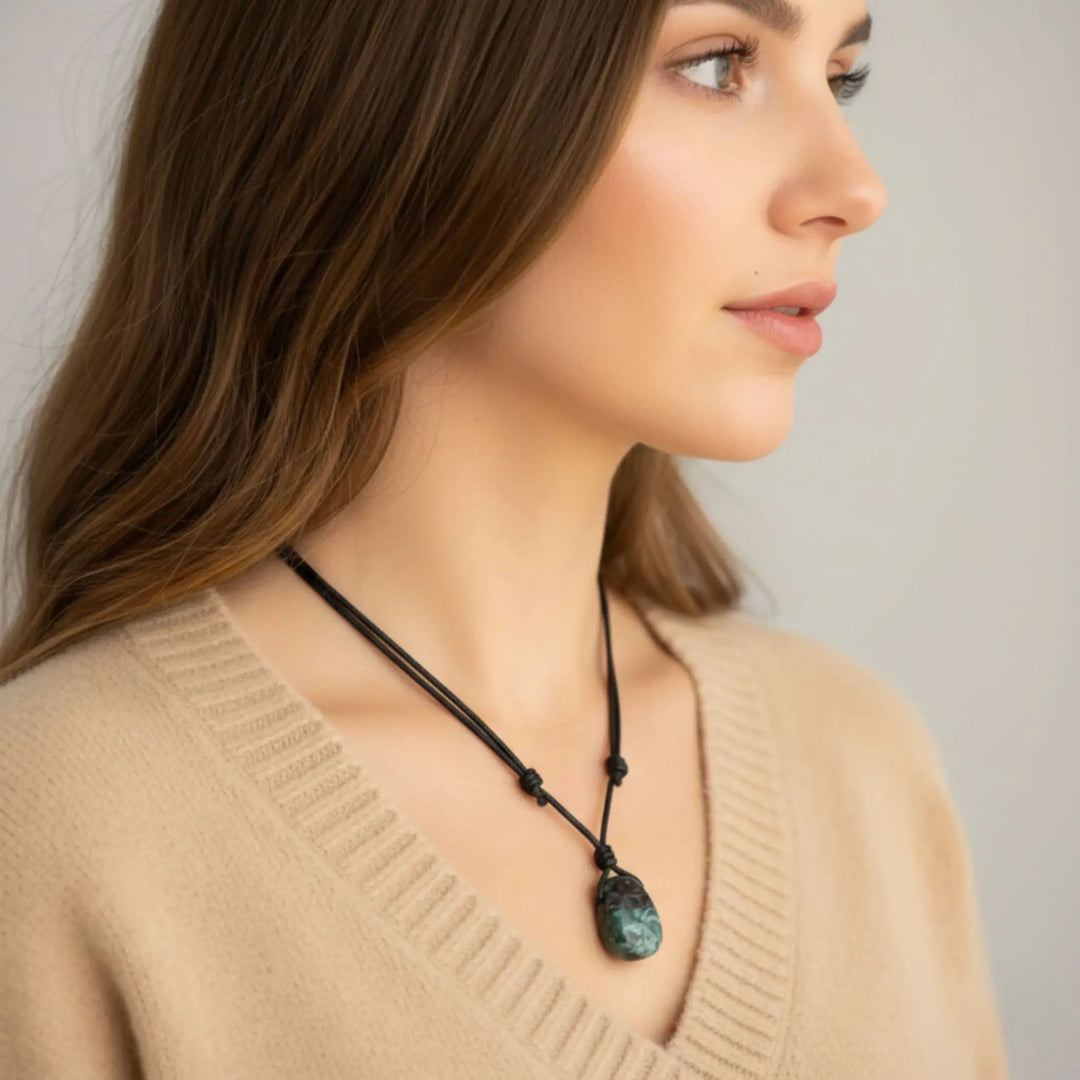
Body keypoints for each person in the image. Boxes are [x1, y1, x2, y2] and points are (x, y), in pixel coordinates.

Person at [0, 0, 1009, 1076]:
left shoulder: (861, 762)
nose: (855, 190)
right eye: (721, 65)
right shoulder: (63, 820)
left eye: (841, 77)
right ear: (396, 99)